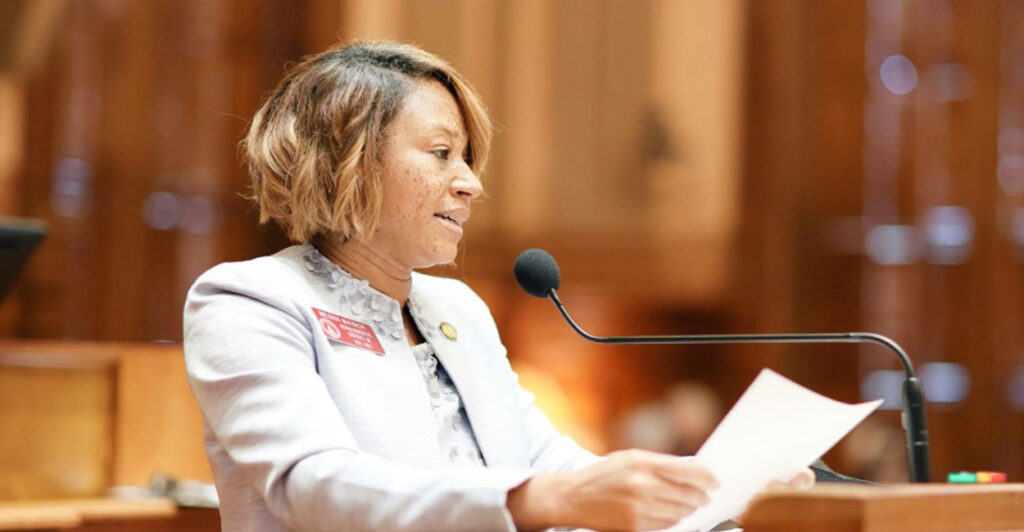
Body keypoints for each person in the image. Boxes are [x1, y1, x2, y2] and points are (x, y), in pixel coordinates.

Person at [183, 41, 810, 532]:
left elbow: (550, 467)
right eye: (440, 153)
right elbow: (315, 487)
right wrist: (555, 496)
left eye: (468, 160)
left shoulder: (457, 309)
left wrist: (717, 488)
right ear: (346, 157)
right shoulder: (248, 301)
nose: (471, 184)